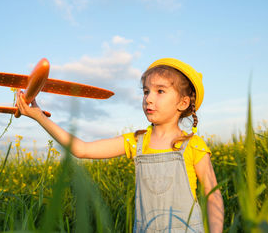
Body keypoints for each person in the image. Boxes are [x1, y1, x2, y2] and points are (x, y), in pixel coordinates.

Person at [16, 58, 224, 233]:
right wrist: (39, 117)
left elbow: (212, 193)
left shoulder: (193, 145)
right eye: (145, 91)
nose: (149, 99)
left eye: (160, 91)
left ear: (183, 103)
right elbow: (82, 149)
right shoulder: (136, 142)